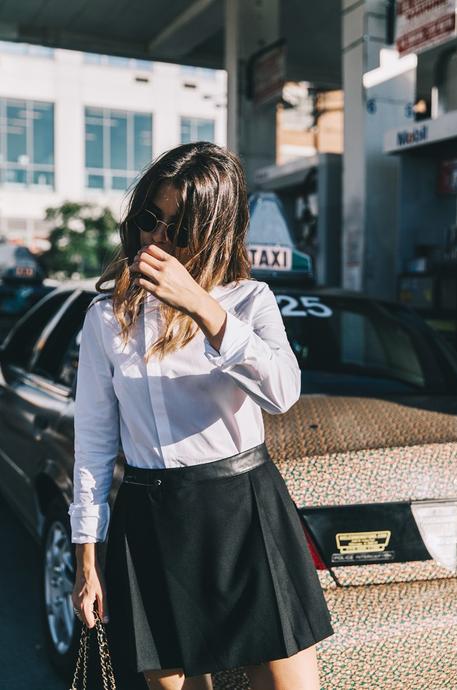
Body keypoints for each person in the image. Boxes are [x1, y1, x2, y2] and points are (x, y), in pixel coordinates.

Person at [69, 141, 334, 690]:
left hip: (244, 510)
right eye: (150, 219)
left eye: (179, 229)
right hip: (152, 517)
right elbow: (93, 445)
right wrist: (87, 559)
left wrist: (203, 307)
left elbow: (283, 392)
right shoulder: (106, 319)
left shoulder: (247, 301)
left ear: (213, 233)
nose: (157, 239)